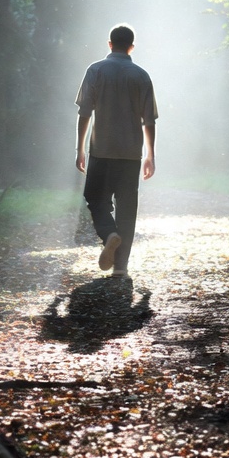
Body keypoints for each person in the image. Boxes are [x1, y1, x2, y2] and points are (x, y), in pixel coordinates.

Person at [75, 24, 157, 278]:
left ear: (110, 44)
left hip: (101, 152)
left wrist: (79, 149)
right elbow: (149, 121)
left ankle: (109, 234)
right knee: (127, 209)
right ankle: (121, 268)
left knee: (95, 199)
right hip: (131, 154)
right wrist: (150, 155)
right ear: (131, 46)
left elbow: (85, 113)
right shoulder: (141, 76)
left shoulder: (96, 70)